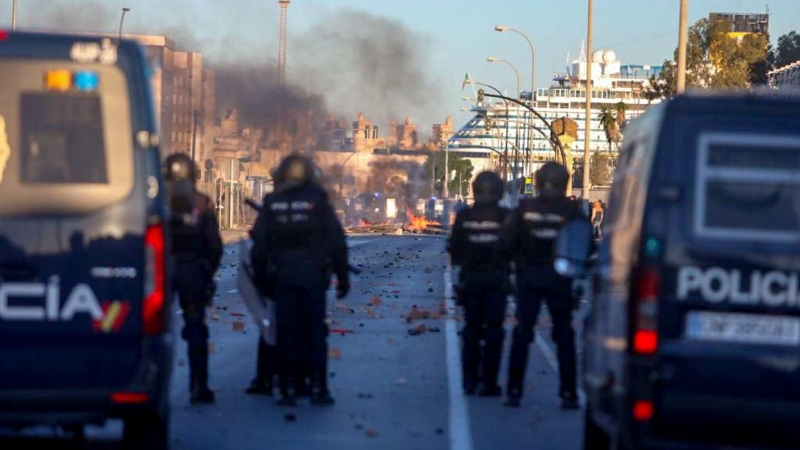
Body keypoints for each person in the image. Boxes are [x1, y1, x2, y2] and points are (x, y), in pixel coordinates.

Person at [250, 153, 350, 406]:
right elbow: (337, 240)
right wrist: (343, 276)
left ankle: (287, 388)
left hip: (283, 277)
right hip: (314, 276)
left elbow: (259, 247)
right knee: (315, 332)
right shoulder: (318, 201)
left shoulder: (273, 202)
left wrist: (261, 281)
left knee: (286, 332)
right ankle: (319, 387)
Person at [501, 161, 583, 410]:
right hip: (561, 279)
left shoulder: (526, 209)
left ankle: (514, 392)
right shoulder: (572, 211)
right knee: (564, 336)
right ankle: (569, 394)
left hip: (528, 278)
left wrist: (512, 270)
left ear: (537, 181)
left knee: (522, 334)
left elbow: (505, 242)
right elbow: (584, 246)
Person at [165, 153, 223, 405]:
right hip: (192, 271)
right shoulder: (201, 203)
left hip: (161, 270)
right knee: (196, 326)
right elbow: (215, 246)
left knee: (149, 328)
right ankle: (198, 387)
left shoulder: (154, 202)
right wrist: (206, 273)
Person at [448, 172, 511, 396]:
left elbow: (454, 249)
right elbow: (516, 248)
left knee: (471, 330)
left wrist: (457, 279)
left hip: (471, 280)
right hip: (497, 281)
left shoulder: (465, 216)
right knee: (494, 330)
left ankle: (469, 380)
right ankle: (489, 382)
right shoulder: (506, 217)